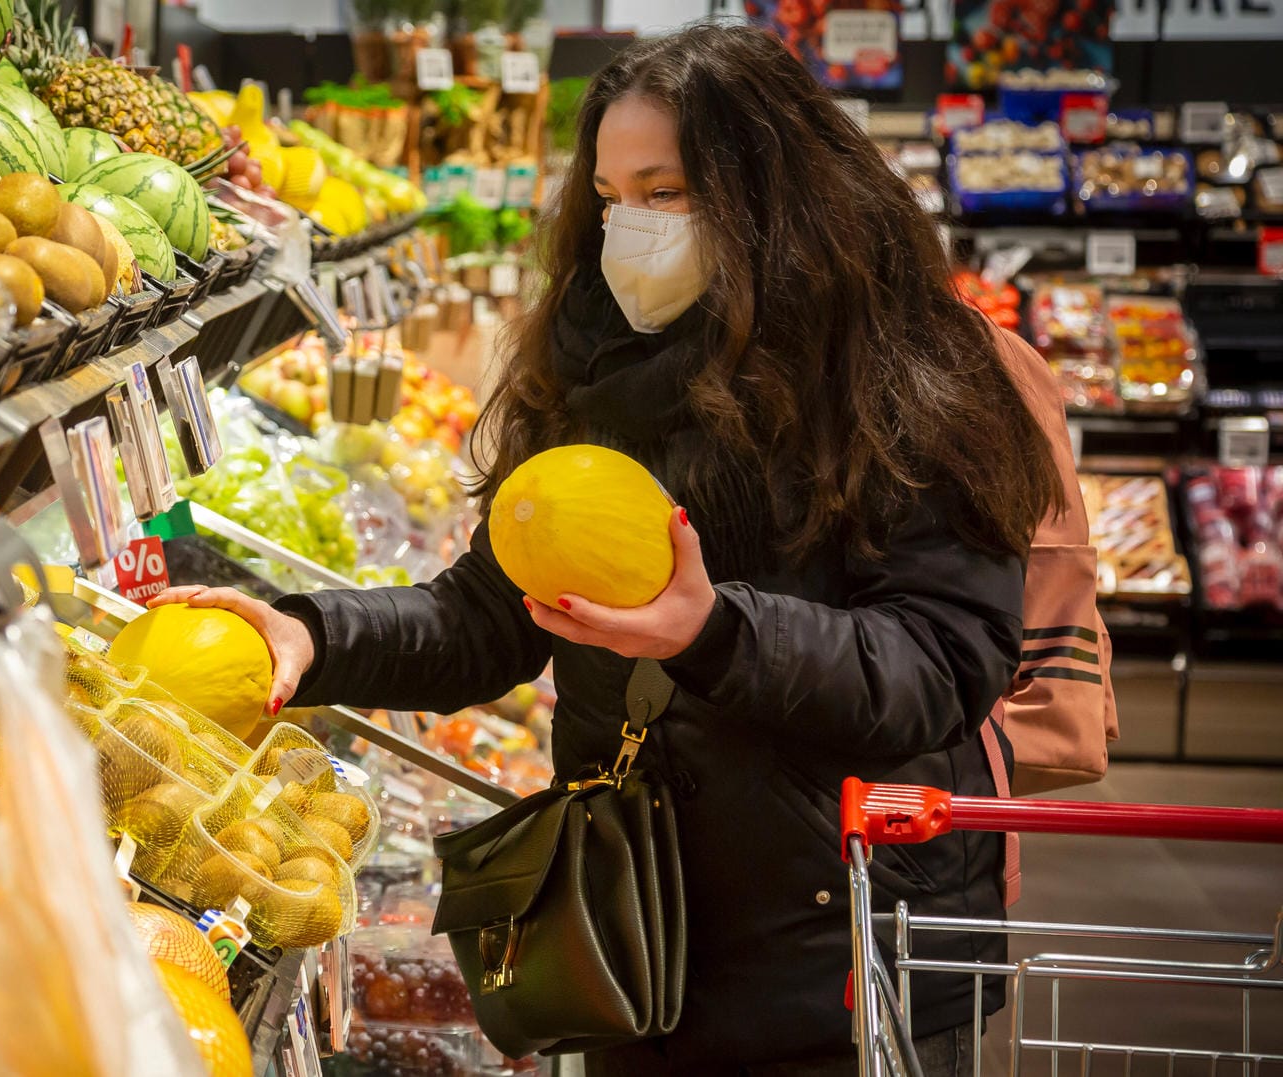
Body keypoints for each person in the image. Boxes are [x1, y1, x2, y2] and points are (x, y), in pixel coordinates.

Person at [150, 23, 1065, 1074]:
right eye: (611, 196)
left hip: (844, 959)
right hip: (640, 939)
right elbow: (490, 617)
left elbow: (941, 669)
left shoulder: (904, 378)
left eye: (666, 193)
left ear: (774, 198)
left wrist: (717, 632)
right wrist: (310, 636)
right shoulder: (597, 363)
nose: (629, 226)